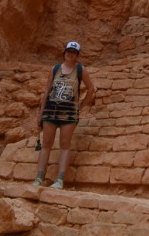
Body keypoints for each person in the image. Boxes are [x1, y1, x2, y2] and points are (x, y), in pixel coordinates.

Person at [33, 41, 96, 189]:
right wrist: (40, 113)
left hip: (69, 114)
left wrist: (80, 107)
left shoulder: (81, 70)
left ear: (77, 55)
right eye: (68, 51)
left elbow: (91, 89)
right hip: (50, 112)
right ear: (64, 52)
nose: (70, 54)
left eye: (73, 52)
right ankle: (39, 178)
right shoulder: (54, 69)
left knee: (64, 146)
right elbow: (47, 90)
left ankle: (60, 180)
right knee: (46, 145)